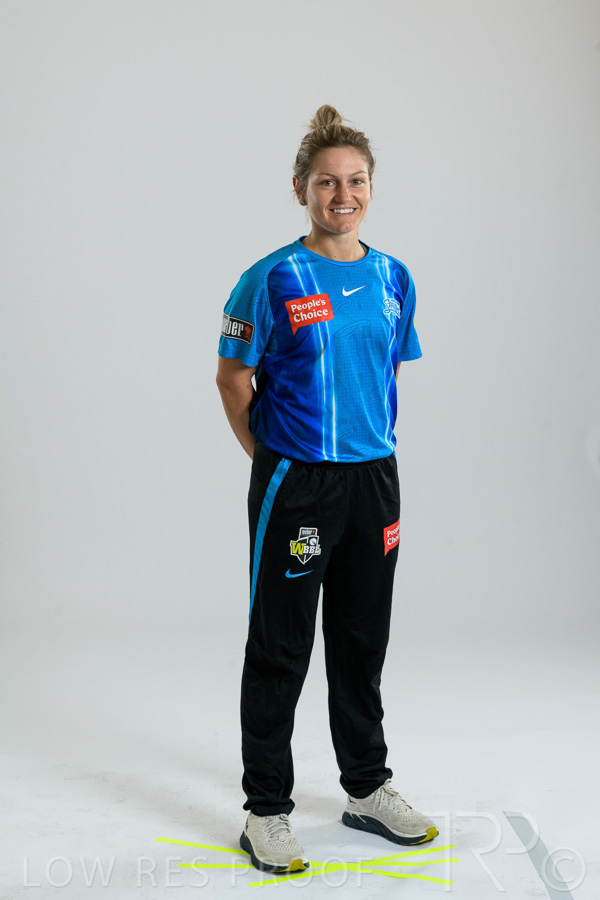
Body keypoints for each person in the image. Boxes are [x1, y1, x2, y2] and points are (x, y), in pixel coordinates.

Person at [216, 104, 437, 875]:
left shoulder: (393, 276)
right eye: (327, 182)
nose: (343, 195)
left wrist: (355, 451)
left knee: (361, 638)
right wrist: (274, 460)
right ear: (301, 189)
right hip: (297, 481)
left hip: (375, 480)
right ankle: (266, 811)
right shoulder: (271, 277)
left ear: (371, 187)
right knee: (281, 645)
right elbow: (233, 378)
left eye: (356, 181)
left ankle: (367, 788)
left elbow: (384, 369)